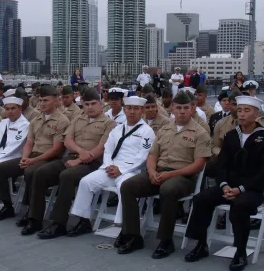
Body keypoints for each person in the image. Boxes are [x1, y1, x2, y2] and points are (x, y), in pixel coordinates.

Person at [116, 91, 211, 257]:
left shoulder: (200, 133)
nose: (182, 111)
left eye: (185, 107)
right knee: (127, 186)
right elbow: (152, 155)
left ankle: (166, 241)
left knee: (168, 189)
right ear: (172, 109)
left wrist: (171, 174)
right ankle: (133, 235)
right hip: (158, 173)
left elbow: (198, 164)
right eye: (178, 107)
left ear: (192, 108)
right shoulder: (164, 129)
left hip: (183, 177)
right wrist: (152, 171)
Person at [21, 88, 117, 239]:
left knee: (67, 176)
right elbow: (68, 140)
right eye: (86, 104)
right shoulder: (78, 119)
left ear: (101, 104)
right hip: (72, 158)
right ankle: (35, 218)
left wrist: (80, 159)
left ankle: (59, 223)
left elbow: (101, 148)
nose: (90, 107)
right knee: (40, 173)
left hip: (93, 163)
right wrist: (80, 152)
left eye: (93, 104)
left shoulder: (109, 124)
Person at [184, 95, 264, 271]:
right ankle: (201, 244)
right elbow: (222, 165)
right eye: (240, 110)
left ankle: (240, 251)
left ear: (257, 113)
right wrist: (224, 185)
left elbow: (262, 173)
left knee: (240, 205)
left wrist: (240, 189)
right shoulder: (231, 136)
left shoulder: (262, 137)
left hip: (253, 189)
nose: (242, 114)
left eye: (247, 110)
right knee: (200, 199)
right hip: (229, 186)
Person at [66, 95, 155, 237]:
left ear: (142, 110)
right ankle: (83, 221)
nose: (132, 112)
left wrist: (122, 170)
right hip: (111, 167)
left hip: (131, 171)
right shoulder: (118, 129)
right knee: (86, 182)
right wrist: (108, 165)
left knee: (124, 188)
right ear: (124, 110)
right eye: (129, 108)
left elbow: (142, 156)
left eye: (136, 109)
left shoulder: (147, 132)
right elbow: (108, 149)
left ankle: (123, 227)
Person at [0, 85, 69, 227]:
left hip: (48, 159)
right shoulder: (36, 120)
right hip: (31, 156)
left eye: (46, 100)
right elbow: (29, 141)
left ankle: (32, 214)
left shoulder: (62, 121)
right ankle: (7, 206)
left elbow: (56, 149)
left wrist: (32, 160)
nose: (42, 103)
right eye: (40, 100)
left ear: (56, 100)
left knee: (31, 172)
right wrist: (24, 158)